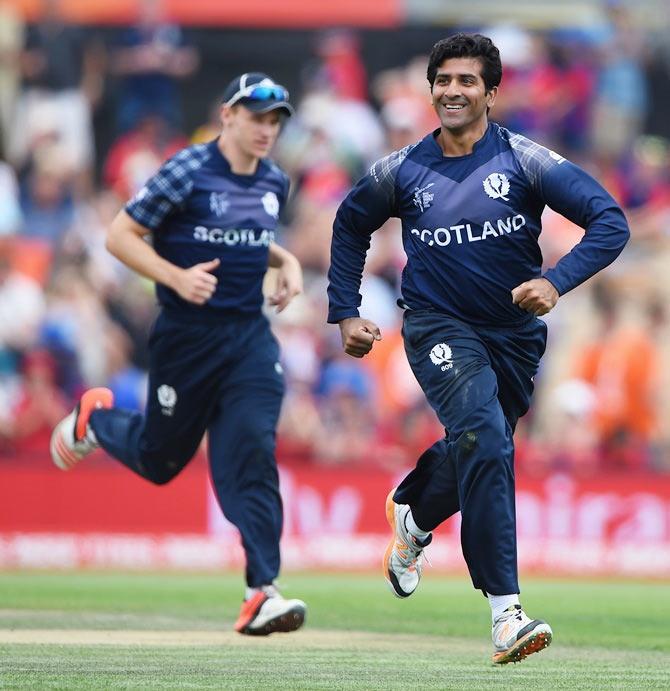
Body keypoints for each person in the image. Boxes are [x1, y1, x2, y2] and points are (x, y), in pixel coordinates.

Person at [327, 33, 629, 664]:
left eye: (467, 81)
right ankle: (505, 613)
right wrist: (346, 311)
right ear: (430, 88)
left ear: (492, 93)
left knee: (479, 442)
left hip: (514, 336)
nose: (452, 91)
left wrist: (554, 281)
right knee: (487, 440)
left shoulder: (524, 161)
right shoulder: (402, 170)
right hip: (438, 327)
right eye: (443, 81)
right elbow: (351, 223)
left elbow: (611, 221)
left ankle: (413, 514)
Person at [50, 72, 307, 636]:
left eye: (275, 119)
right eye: (256, 116)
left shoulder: (273, 181)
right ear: (228, 115)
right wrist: (175, 277)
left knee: (253, 455)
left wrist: (286, 263)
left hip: (248, 338)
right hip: (186, 336)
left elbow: (249, 237)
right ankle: (98, 419)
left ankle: (261, 591)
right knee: (162, 460)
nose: (266, 129)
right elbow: (120, 235)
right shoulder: (187, 170)